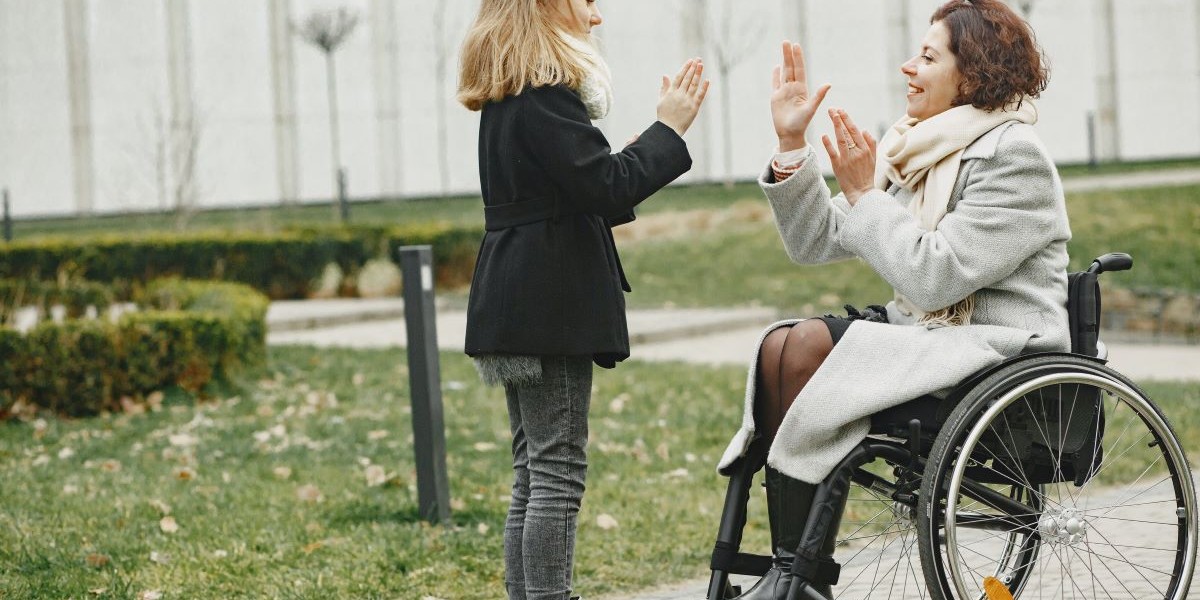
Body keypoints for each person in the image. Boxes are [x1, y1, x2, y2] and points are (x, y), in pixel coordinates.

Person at [717, 1, 1067, 597]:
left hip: (994, 351)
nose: (908, 67)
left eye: (928, 57)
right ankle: (792, 570)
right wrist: (791, 144)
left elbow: (936, 278)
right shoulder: (920, 147)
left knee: (802, 348)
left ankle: (799, 579)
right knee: (783, 345)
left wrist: (863, 193)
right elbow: (814, 240)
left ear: (972, 73)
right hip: (929, 337)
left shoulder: (1014, 156)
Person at [456, 1, 710, 598]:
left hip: (514, 294)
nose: (596, 18)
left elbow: (570, 189)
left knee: (533, 472)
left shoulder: (511, 93)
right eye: (587, 2)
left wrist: (616, 162)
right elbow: (604, 185)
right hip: (549, 300)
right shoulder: (546, 92)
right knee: (556, 474)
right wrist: (667, 130)